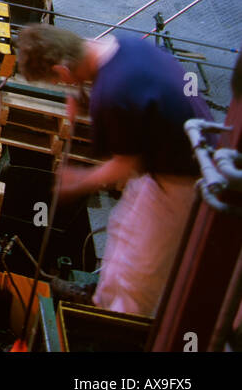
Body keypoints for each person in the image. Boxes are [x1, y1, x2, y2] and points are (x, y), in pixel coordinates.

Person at [15, 24, 211, 318]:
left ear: (63, 72)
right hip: (168, 158)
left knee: (139, 274)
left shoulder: (113, 94)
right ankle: (103, 299)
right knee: (121, 228)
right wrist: (85, 100)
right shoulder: (126, 44)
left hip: (184, 181)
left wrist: (78, 180)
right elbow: (138, 101)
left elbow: (124, 165)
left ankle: (120, 322)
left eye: (59, 82)